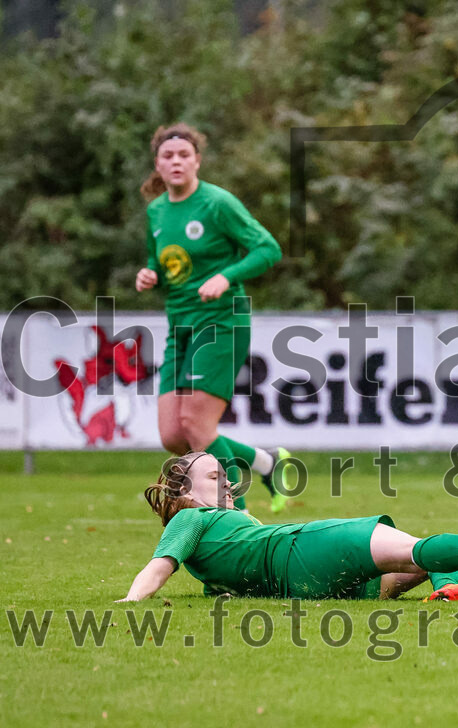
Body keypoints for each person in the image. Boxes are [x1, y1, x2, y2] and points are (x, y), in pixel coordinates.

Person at [117, 452, 458, 602]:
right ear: (185, 494)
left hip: (310, 589)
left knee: (419, 563)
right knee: (420, 547)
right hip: (307, 546)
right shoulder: (193, 516)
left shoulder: (214, 542)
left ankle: (449, 590)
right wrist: (132, 599)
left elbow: (225, 585)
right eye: (215, 478)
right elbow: (160, 566)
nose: (229, 483)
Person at [135, 123, 293, 513]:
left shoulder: (217, 203)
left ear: (197, 161)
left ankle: (234, 518)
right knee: (173, 434)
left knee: (196, 424)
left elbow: (268, 249)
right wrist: (150, 273)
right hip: (181, 325)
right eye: (168, 156)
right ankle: (267, 462)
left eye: (183, 155)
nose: (176, 161)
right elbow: (165, 263)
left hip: (222, 320)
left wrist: (226, 276)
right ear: (157, 163)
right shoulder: (156, 210)